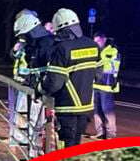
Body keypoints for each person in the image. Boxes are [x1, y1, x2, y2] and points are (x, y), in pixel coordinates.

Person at [42, 8, 98, 149]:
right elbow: (99, 74)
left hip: (67, 106)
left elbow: (54, 83)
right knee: (76, 143)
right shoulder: (93, 45)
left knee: (65, 144)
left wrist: (40, 87)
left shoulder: (62, 48)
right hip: (86, 106)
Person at [9, 9, 52, 154]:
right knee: (28, 118)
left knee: (38, 122)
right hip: (30, 85)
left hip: (42, 89)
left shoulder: (46, 43)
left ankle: (36, 152)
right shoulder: (32, 43)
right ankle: (31, 149)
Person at [92, 30, 120, 139]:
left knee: (107, 110)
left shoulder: (112, 50)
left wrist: (93, 62)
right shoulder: (96, 50)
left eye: (98, 41)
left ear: (104, 39)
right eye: (95, 41)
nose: (97, 43)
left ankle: (111, 135)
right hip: (95, 84)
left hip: (107, 85)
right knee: (96, 110)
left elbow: (105, 61)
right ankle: (100, 133)